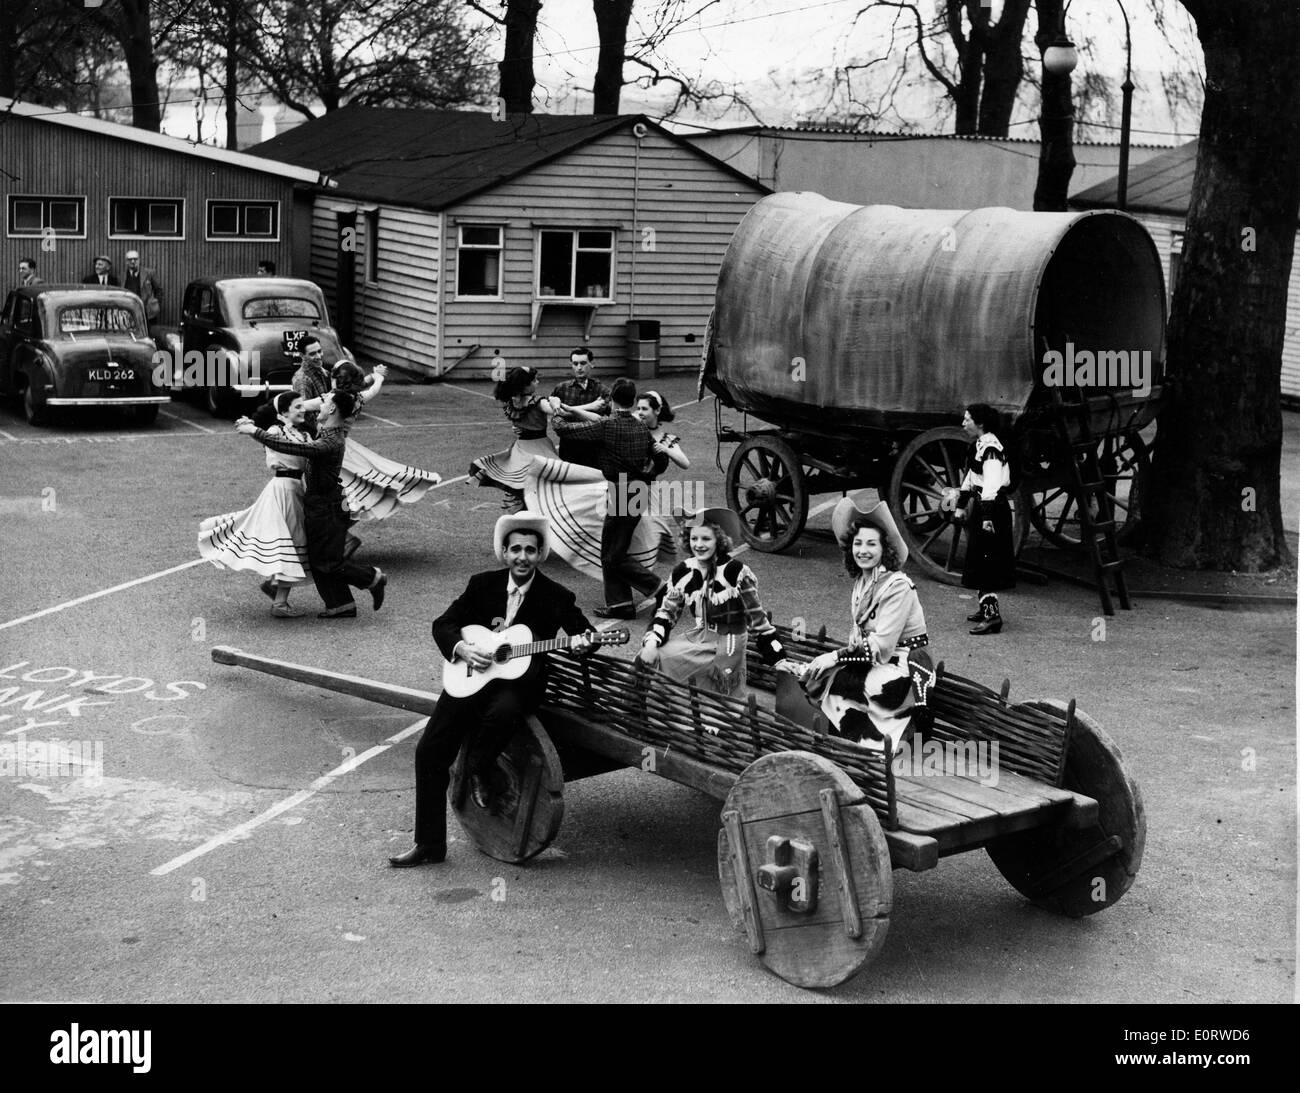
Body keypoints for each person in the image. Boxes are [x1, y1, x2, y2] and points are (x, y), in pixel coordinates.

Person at [388, 515, 595, 867]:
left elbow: (584, 632)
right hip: (473, 675)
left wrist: (585, 644)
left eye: (531, 550)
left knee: (501, 712)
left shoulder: (556, 595)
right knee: (430, 749)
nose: (523, 557)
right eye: (516, 549)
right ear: (504, 552)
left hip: (520, 684)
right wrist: (462, 649)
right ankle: (429, 844)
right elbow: (444, 624)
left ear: (540, 554)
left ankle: (479, 769)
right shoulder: (482, 585)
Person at [792, 494, 934, 752]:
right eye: (858, 543)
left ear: (884, 549)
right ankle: (842, 740)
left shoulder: (897, 586)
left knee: (842, 680)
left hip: (903, 665)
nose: (863, 551)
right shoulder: (863, 581)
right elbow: (860, 635)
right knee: (822, 677)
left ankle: (893, 732)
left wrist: (835, 657)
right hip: (876, 660)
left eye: (871, 544)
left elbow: (882, 646)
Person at [235, 388, 387, 619]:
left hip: (326, 504)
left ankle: (371, 578)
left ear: (333, 409)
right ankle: (340, 605)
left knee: (326, 561)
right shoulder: (326, 431)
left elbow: (294, 448)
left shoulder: (330, 439)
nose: (314, 406)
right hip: (322, 500)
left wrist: (254, 430)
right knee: (319, 558)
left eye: (324, 403)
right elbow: (283, 437)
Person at [638, 508, 785, 700]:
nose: (699, 545)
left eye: (706, 539)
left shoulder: (736, 572)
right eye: (694, 538)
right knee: (652, 657)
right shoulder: (683, 571)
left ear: (719, 540)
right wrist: (651, 643)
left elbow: (759, 622)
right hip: (700, 637)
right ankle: (648, 708)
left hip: (730, 640)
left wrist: (779, 659)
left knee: (721, 684)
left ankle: (720, 712)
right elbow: (666, 613)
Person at [556, 378, 670, 619]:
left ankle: (660, 589)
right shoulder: (641, 427)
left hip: (621, 491)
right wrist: (651, 470)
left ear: (612, 400)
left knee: (612, 554)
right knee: (613, 550)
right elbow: (661, 462)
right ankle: (621, 606)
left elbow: (563, 430)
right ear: (632, 400)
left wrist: (556, 412)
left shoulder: (607, 425)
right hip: (639, 489)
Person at [199, 392, 311, 617]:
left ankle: (274, 586)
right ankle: (279, 603)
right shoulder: (275, 431)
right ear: (283, 413)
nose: (303, 410)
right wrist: (252, 430)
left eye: (303, 406)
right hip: (282, 489)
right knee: (292, 541)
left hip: (297, 488)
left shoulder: (305, 434)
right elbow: (277, 445)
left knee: (291, 539)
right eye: (297, 407)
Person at [953, 402, 1015, 635]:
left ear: (979, 424)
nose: (963, 423)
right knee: (980, 557)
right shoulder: (980, 445)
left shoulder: (991, 449)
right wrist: (961, 505)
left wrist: (986, 517)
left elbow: (990, 483)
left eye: (967, 419)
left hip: (992, 509)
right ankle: (985, 607)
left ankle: (992, 617)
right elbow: (971, 478)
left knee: (986, 561)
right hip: (982, 506)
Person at [470, 366, 564, 514]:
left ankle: (518, 517)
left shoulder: (513, 402)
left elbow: (519, 423)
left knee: (519, 486)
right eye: (535, 380)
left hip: (520, 448)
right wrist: (556, 401)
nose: (538, 382)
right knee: (546, 485)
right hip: (539, 446)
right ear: (526, 385)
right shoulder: (538, 402)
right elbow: (557, 411)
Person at [550, 347, 609, 467]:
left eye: (583, 363)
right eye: (575, 363)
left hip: (593, 448)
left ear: (592, 364)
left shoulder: (602, 390)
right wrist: (591, 406)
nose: (579, 368)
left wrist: (567, 410)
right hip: (569, 447)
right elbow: (552, 409)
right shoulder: (561, 389)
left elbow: (604, 419)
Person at [635, 390, 689, 471]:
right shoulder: (632, 429)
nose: (639, 412)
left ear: (657, 410)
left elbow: (685, 464)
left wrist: (666, 449)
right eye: (638, 408)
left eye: (644, 409)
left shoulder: (665, 440)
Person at [122, 250, 163, 328]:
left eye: (135, 259)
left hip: (148, 312)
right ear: (126, 262)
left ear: (139, 260)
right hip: (128, 312)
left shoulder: (149, 273)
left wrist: (155, 303)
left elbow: (159, 290)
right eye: (130, 260)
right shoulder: (122, 276)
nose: (133, 261)